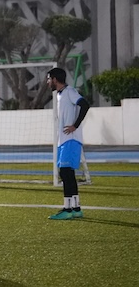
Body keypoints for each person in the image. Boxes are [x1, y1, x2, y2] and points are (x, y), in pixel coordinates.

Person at [46, 67, 90, 220]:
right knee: (68, 173)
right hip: (64, 140)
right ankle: (76, 208)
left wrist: (75, 126)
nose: (48, 82)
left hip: (71, 140)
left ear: (55, 79)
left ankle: (67, 209)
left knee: (65, 173)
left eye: (49, 79)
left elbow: (85, 104)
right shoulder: (60, 94)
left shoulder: (69, 91)